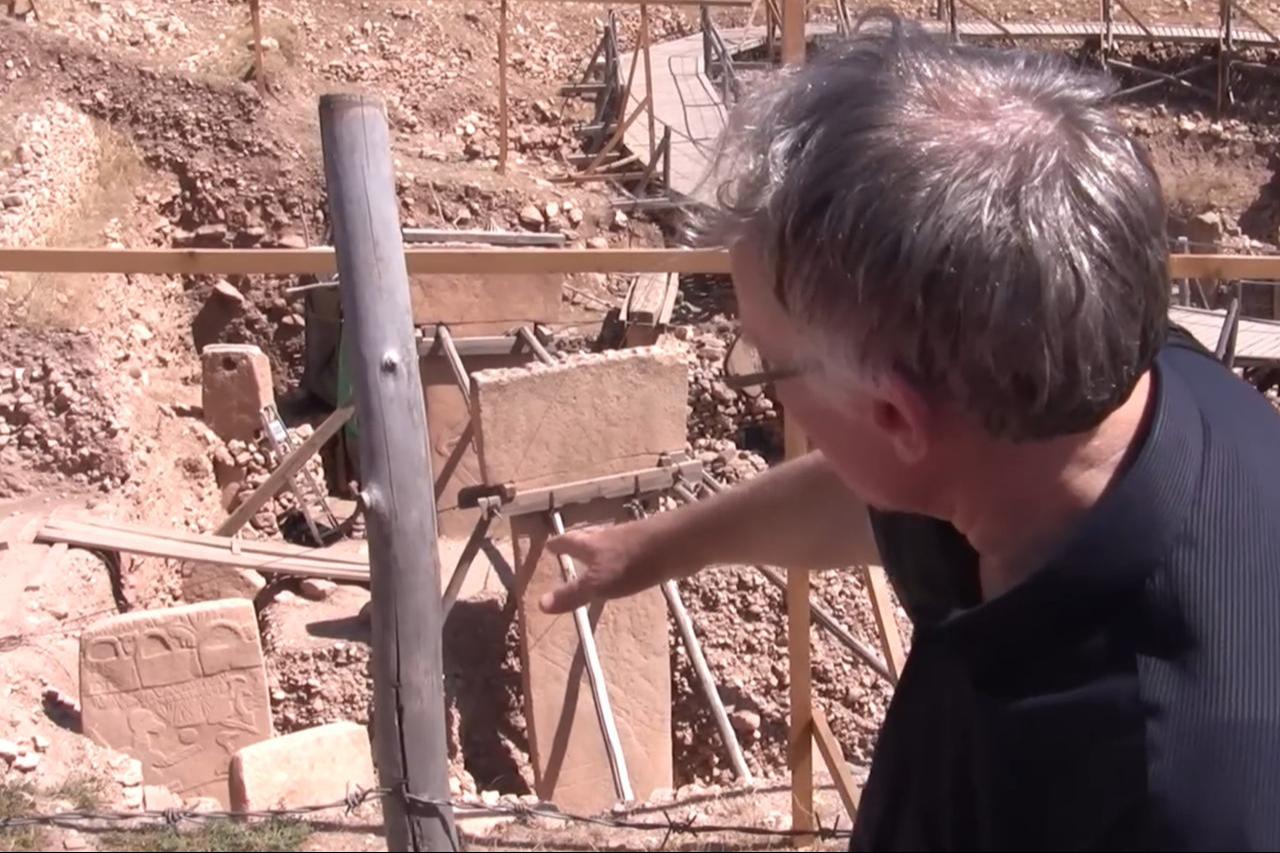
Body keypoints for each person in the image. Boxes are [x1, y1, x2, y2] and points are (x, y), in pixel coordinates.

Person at [538, 12, 1280, 852]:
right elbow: (887, 491)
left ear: (894, 416)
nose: (763, 390)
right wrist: (660, 546)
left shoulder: (1168, 793)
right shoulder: (1114, 394)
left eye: (765, 365)